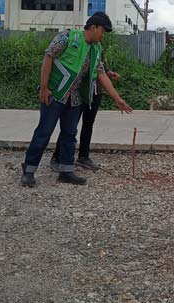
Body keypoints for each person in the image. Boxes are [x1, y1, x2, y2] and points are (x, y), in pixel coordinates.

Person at [20, 12, 132, 187]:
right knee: (44, 131)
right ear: (93, 27)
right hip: (55, 94)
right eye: (102, 31)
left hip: (75, 98)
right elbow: (48, 57)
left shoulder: (96, 49)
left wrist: (118, 99)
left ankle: (66, 170)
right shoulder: (67, 37)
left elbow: (101, 74)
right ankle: (28, 170)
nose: (103, 36)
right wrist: (44, 88)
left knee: (70, 134)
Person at [49, 45, 119, 172]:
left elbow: (99, 65)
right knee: (70, 126)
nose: (102, 35)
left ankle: (83, 157)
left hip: (95, 91)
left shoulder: (98, 46)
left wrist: (108, 72)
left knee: (88, 124)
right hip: (79, 91)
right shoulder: (81, 45)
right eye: (101, 31)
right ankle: (57, 157)